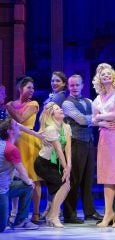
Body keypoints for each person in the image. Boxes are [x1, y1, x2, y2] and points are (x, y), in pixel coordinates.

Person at [61, 75, 103, 224]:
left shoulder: (88, 101)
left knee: (88, 179)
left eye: (77, 85)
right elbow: (81, 120)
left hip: (89, 142)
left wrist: (97, 118)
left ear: (82, 85)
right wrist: (99, 118)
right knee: (74, 179)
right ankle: (69, 214)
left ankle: (89, 211)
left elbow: (91, 118)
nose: (74, 88)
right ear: (68, 87)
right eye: (72, 85)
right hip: (75, 142)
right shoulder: (67, 103)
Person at [92, 63, 115, 228]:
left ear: (113, 76)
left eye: (108, 74)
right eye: (102, 75)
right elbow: (93, 120)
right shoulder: (97, 99)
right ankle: (108, 213)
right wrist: (102, 123)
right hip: (105, 137)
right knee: (107, 176)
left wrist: (101, 118)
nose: (105, 76)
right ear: (99, 79)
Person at [6, 76, 42, 223]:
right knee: (16, 177)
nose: (32, 90)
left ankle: (36, 213)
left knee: (33, 178)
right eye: (29, 87)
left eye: (33, 88)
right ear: (20, 88)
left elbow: (21, 119)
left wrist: (8, 107)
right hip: (14, 142)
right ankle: (15, 214)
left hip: (29, 142)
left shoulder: (33, 104)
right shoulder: (12, 104)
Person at [34, 102, 72, 228]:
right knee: (64, 185)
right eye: (57, 109)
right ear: (52, 114)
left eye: (60, 108)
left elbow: (67, 148)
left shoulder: (66, 127)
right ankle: (53, 216)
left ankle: (52, 215)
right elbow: (58, 150)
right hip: (43, 163)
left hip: (55, 164)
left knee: (66, 185)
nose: (61, 109)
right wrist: (65, 167)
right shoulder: (50, 128)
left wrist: (69, 166)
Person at [0, 118, 39, 232]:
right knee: (28, 185)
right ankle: (19, 220)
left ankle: (21, 220)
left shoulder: (4, 145)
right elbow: (22, 172)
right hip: (2, 190)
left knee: (25, 186)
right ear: (10, 131)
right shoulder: (11, 149)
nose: (19, 127)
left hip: (5, 187)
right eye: (16, 126)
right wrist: (29, 181)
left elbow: (10, 168)